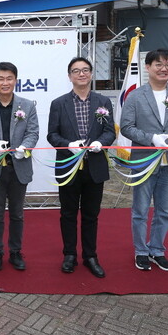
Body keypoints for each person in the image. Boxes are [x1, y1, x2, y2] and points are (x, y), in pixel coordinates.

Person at [120, 49, 168, 272]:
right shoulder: (136, 96)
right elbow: (126, 127)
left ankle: (157, 250)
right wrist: (151, 138)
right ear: (148, 67)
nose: (164, 69)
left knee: (164, 211)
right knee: (141, 211)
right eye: (158, 64)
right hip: (144, 162)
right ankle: (141, 251)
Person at [47, 57, 116, 277]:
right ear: (69, 76)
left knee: (91, 215)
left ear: (91, 74)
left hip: (95, 167)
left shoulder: (103, 102)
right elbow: (52, 135)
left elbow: (110, 132)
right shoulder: (59, 103)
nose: (81, 74)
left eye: (85, 70)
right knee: (67, 213)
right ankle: (69, 254)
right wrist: (68, 145)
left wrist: (101, 143)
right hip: (68, 167)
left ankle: (90, 256)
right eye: (76, 71)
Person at [0, 62, 39, 271]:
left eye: (9, 78)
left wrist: (25, 147)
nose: (5, 83)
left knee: (17, 213)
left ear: (15, 80)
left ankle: (15, 252)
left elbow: (33, 133)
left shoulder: (27, 105)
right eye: (1, 79)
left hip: (18, 166)